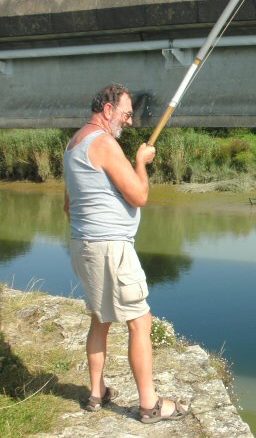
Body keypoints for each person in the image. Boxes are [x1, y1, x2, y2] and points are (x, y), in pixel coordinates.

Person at [63, 83, 189, 423]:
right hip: (111, 249)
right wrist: (141, 162)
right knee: (140, 322)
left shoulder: (73, 145)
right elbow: (139, 196)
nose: (129, 122)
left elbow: (68, 206)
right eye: (126, 114)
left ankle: (95, 393)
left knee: (100, 318)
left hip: (83, 246)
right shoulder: (104, 144)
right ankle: (149, 405)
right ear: (107, 110)